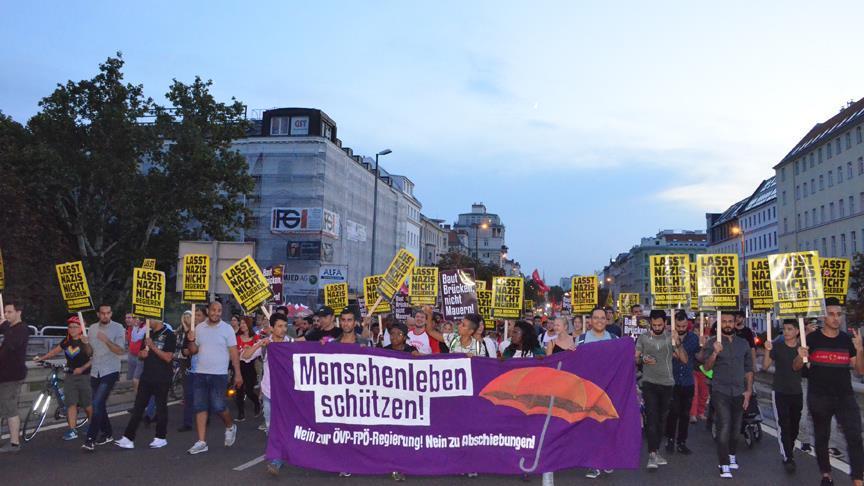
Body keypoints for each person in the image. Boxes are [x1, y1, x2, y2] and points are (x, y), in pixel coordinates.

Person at [797, 297, 864, 486]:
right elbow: (797, 367)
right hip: (819, 396)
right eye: (832, 314)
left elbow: (860, 370)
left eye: (839, 315)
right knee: (822, 436)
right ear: (824, 317)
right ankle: (826, 475)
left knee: (855, 435)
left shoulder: (847, 340)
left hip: (845, 396)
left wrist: (859, 350)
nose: (836, 318)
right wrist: (800, 356)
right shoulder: (812, 338)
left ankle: (857, 479)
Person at [698, 311, 753, 479]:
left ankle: (731, 455)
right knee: (725, 427)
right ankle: (723, 464)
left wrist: (749, 390)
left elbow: (748, 369)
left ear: (735, 323)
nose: (728, 324)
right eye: (725, 321)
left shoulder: (743, 343)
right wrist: (714, 353)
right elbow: (706, 368)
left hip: (739, 391)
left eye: (731, 321)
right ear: (719, 324)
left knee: (736, 429)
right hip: (720, 391)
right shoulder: (712, 343)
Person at [186, 301, 243, 455]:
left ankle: (230, 426)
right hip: (200, 373)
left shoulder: (227, 329)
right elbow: (193, 351)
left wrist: (238, 373)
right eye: (214, 310)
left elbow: (234, 352)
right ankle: (202, 441)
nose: (216, 313)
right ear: (208, 310)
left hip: (219, 375)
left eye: (219, 310)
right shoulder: (199, 328)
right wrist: (190, 339)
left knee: (218, 406)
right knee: (200, 406)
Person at [636, 310, 687, 471]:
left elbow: (684, 359)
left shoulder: (670, 338)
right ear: (650, 323)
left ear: (665, 323)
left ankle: (656, 450)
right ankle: (652, 454)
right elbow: (635, 358)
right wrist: (643, 359)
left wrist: (677, 342)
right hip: (649, 383)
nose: (657, 327)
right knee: (651, 418)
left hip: (667, 384)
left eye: (660, 324)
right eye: (654, 324)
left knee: (661, 421)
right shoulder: (643, 338)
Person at [114, 318, 177, 450]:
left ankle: (161, 437)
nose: (147, 321)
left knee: (161, 408)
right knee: (138, 407)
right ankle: (128, 437)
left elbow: (168, 357)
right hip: (147, 376)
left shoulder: (170, 335)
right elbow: (141, 355)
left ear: (158, 318)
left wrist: (152, 346)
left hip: (162, 378)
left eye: (150, 319)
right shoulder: (147, 334)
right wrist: (142, 354)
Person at [34, 315, 93, 441]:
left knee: (87, 404)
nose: (71, 329)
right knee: (71, 403)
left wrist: (81, 368)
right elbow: (55, 351)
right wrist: (43, 358)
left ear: (81, 328)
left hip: (84, 376)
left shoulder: (86, 340)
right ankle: (72, 430)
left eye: (75, 327)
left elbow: (92, 357)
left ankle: (93, 425)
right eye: (70, 327)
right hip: (70, 376)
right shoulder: (67, 340)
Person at [244, 313, 289, 475]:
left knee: (283, 426)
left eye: (285, 326)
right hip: (269, 393)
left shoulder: (290, 344)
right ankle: (278, 453)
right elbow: (245, 356)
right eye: (279, 326)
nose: (283, 329)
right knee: (270, 428)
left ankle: (277, 459)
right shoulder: (265, 345)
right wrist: (258, 345)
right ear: (271, 327)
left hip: (286, 395)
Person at [82, 304, 126, 452]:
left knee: (96, 404)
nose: (105, 316)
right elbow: (89, 352)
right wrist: (86, 343)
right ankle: (107, 433)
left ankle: (90, 439)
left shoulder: (118, 328)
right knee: (99, 405)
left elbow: (120, 351)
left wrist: (106, 340)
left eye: (108, 313)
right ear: (98, 314)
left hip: (111, 370)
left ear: (111, 313)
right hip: (95, 370)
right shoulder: (93, 328)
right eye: (103, 313)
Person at [762, 319, 803, 473]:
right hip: (780, 391)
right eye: (784, 329)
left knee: (795, 425)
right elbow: (765, 366)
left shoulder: (802, 348)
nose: (786, 332)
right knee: (784, 425)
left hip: (796, 392)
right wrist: (767, 349)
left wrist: (802, 356)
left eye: (790, 329)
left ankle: (789, 448)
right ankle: (788, 457)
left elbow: (803, 367)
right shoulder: (777, 346)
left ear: (797, 331)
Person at [665, 310, 700, 455]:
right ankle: (670, 440)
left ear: (688, 324)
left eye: (684, 326)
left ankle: (682, 442)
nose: (681, 329)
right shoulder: (666, 338)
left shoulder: (692, 338)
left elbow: (684, 358)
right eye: (678, 326)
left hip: (687, 381)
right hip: (671, 381)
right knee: (672, 412)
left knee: (685, 414)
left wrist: (678, 345)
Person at [0, 300, 29, 453]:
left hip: (12, 376)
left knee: (10, 408)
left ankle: (14, 443)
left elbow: (12, 344)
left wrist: (5, 326)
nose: (6, 314)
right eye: (5, 311)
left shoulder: (22, 329)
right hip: (3, 375)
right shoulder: (10, 328)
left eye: (9, 312)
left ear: (18, 312)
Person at [234, 318, 262, 422]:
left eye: (244, 323)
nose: (242, 325)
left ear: (249, 324)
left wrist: (249, 350)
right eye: (241, 323)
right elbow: (234, 352)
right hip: (239, 365)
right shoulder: (237, 338)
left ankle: (257, 403)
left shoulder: (256, 338)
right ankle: (241, 414)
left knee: (249, 390)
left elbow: (258, 352)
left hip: (251, 366)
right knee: (239, 391)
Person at [178, 310, 197, 432]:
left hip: (199, 366)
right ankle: (187, 422)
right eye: (184, 317)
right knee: (188, 394)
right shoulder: (182, 331)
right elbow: (182, 347)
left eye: (188, 317)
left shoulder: (197, 331)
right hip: (187, 365)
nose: (186, 319)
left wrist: (189, 351)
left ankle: (205, 417)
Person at [125, 314, 146, 394]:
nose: (128, 320)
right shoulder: (130, 328)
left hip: (140, 357)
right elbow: (131, 340)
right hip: (131, 355)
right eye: (126, 318)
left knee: (136, 379)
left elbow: (136, 338)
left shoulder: (145, 327)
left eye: (130, 318)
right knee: (132, 378)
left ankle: (139, 398)